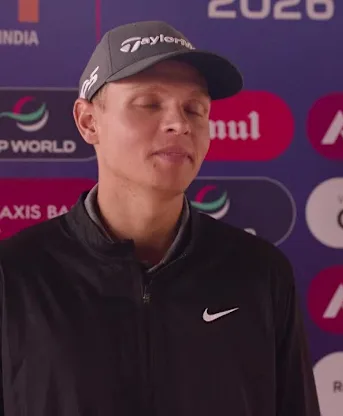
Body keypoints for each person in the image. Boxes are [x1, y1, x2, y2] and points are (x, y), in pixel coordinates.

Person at [0, 20, 321, 415]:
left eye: (194, 109)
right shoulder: (13, 276)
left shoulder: (261, 274)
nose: (179, 124)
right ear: (88, 121)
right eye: (149, 104)